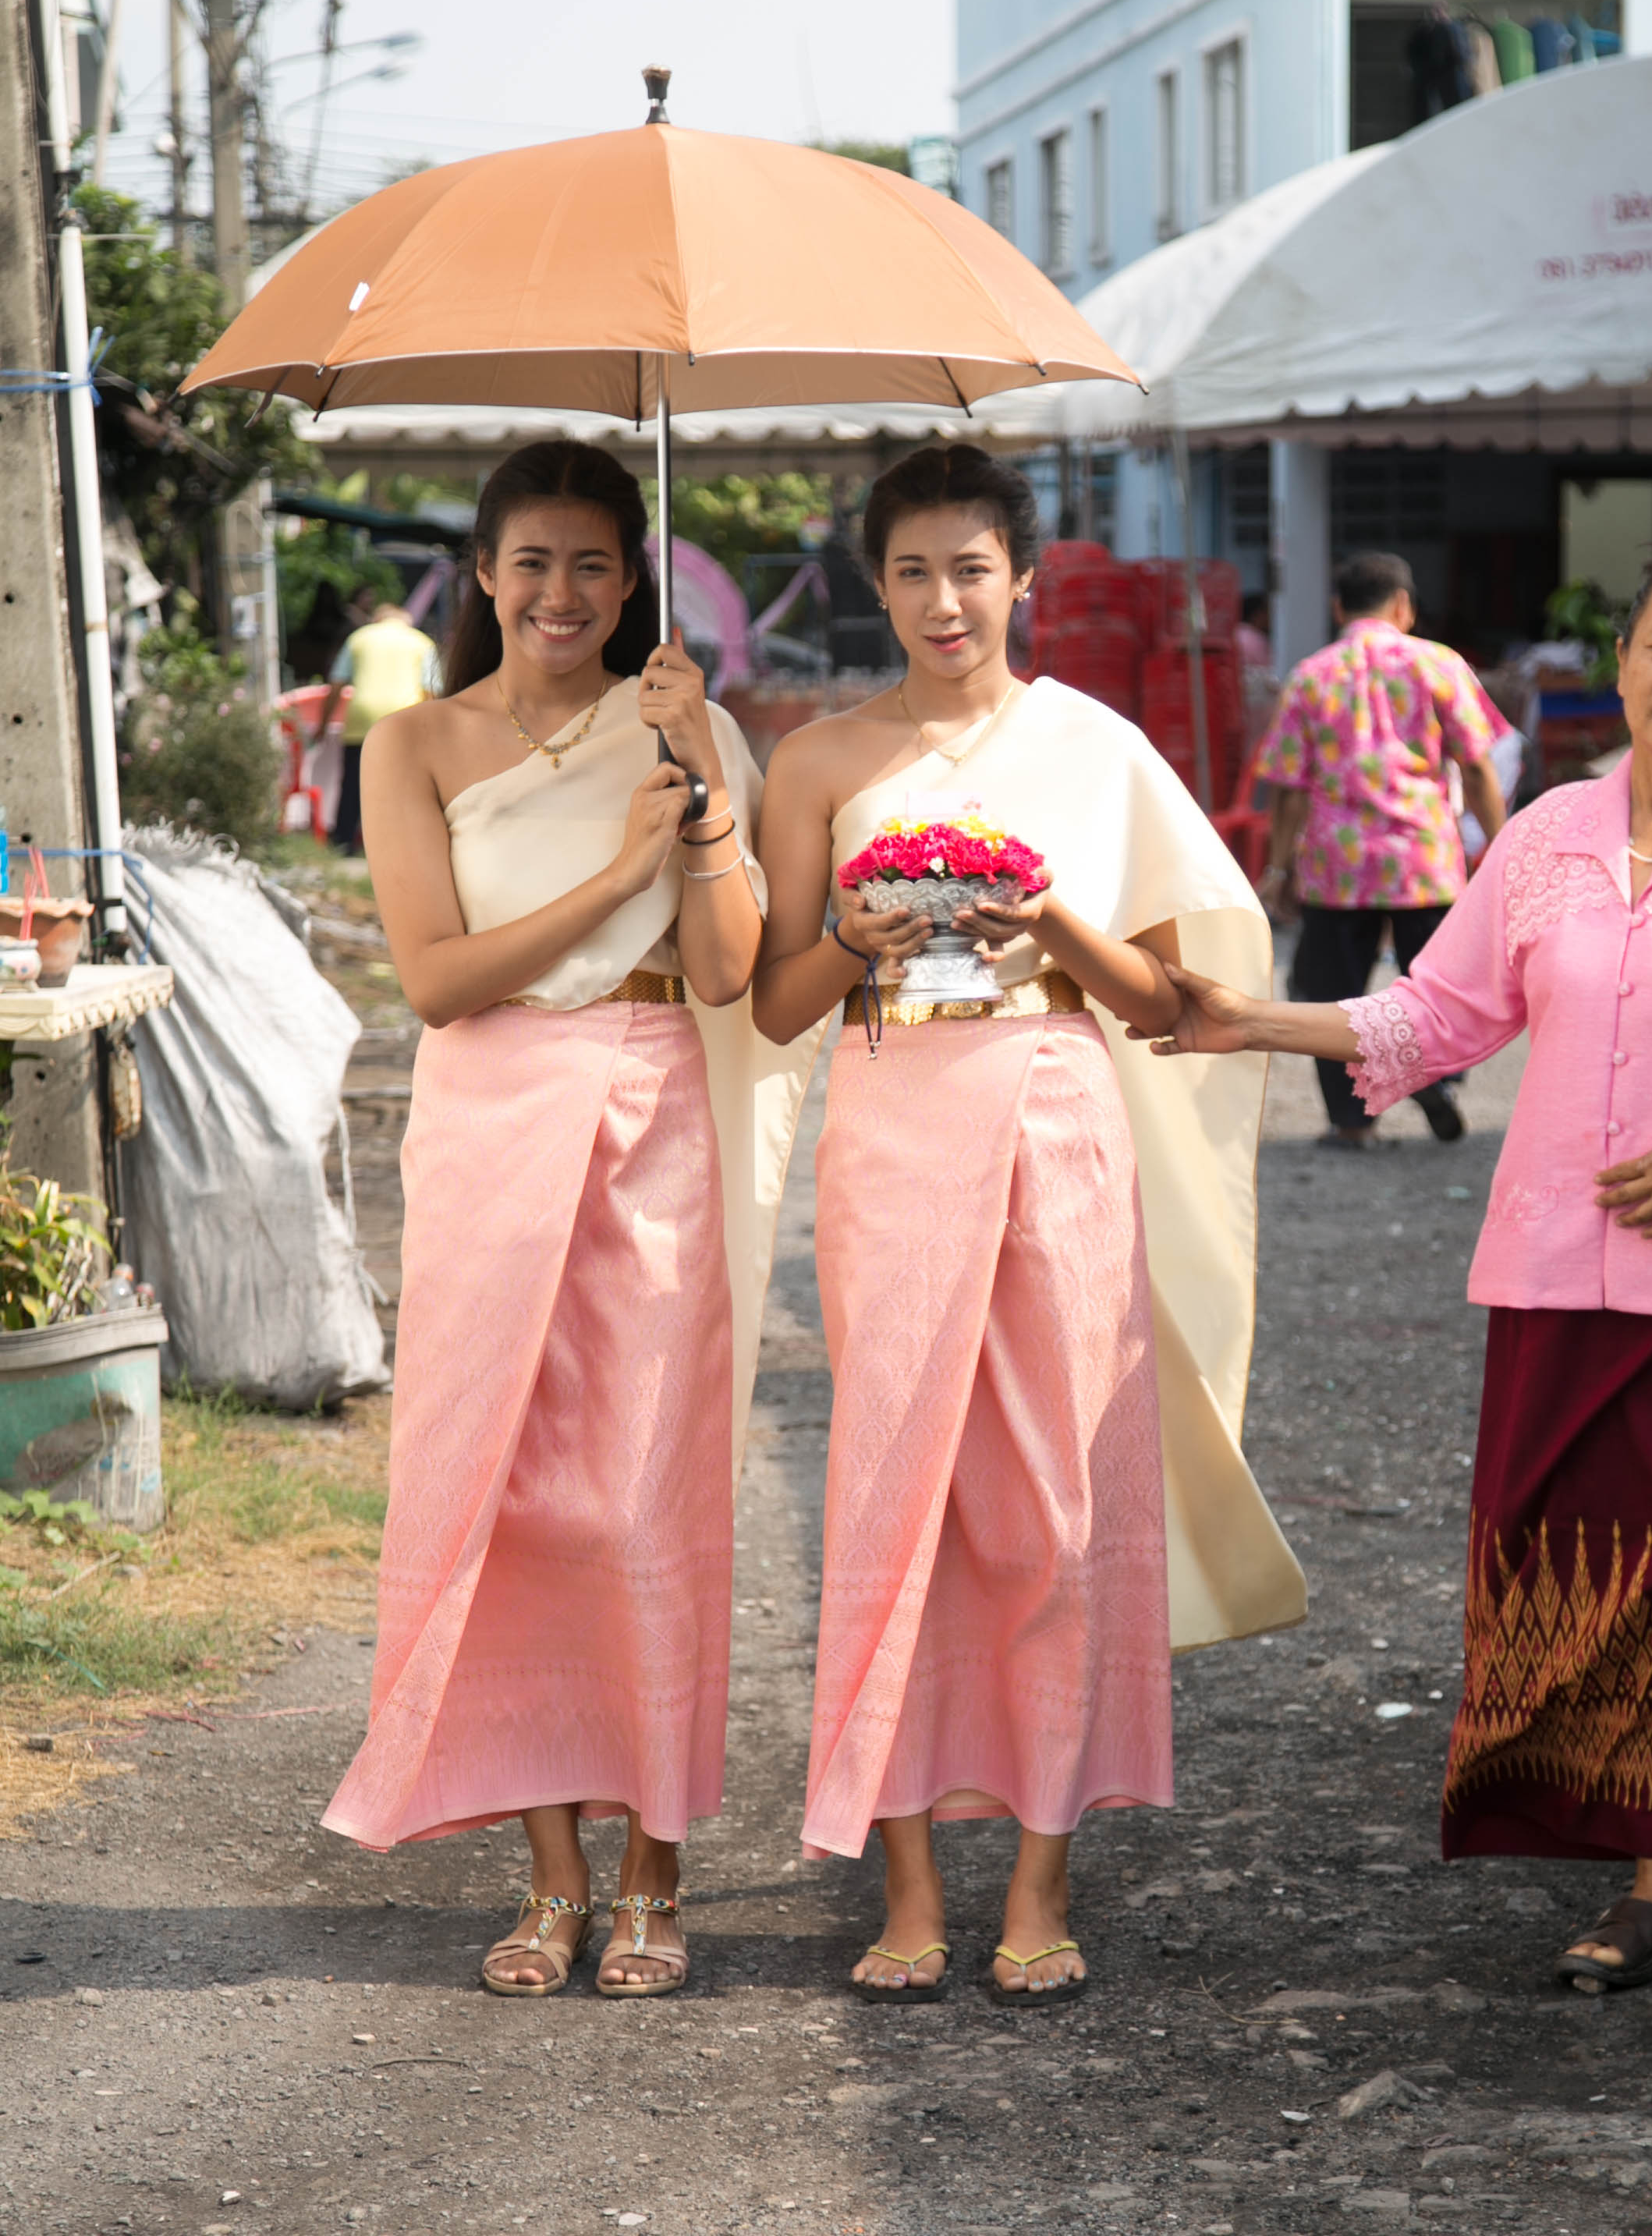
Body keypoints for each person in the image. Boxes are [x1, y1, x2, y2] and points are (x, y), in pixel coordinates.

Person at [1146, 540, 1652, 1999]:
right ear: (1617, 664)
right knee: (1600, 1567)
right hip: (1555, 1276)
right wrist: (1242, 1019)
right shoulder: (1544, 837)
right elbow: (1434, 1015)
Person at [753, 444, 1303, 2002]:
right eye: (913, 572)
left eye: (972, 569)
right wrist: (853, 935)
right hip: (894, 1129)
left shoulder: (1097, 749)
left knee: (1061, 1499)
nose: (945, 601)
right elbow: (775, 1000)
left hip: (1059, 1111)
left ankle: (1043, 1879)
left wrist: (1053, 913)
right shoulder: (819, 761)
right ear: (875, 585)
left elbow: (1172, 1000)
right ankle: (909, 1887)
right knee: (895, 1498)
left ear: (1023, 578)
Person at [321, 442, 808, 2002]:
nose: (560, 591)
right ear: (480, 572)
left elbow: (727, 968)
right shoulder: (414, 743)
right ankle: (552, 1876)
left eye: (593, 562)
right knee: (508, 1491)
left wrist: (701, 790)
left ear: (632, 578)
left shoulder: (685, 726)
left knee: (643, 1495)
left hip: (654, 1102)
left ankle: (656, 1869)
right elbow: (436, 979)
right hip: (488, 1113)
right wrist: (613, 874)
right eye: (531, 560)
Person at [1257, 551, 1505, 1147]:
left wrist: (1278, 869)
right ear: (1403, 606)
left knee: (1334, 998)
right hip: (1424, 861)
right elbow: (1476, 765)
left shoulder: (1311, 674)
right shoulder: (1441, 665)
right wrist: (1502, 849)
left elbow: (1288, 788)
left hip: (1336, 867)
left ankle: (1351, 1124)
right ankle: (1434, 1079)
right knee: (1437, 988)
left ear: (1338, 607)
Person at [324, 586, 442, 855]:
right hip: (405, 718)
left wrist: (323, 725)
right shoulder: (421, 642)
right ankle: (401, 843)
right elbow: (431, 691)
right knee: (405, 785)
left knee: (353, 782)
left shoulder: (359, 638)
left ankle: (343, 841)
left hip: (362, 717)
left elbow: (336, 684)